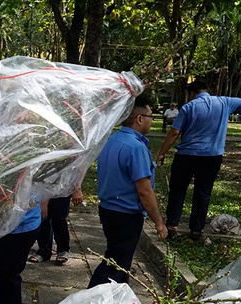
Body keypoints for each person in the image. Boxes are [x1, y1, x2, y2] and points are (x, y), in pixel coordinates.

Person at [88, 95, 167, 288]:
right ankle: (90, 302)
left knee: (117, 258)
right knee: (116, 266)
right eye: (150, 116)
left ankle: (113, 302)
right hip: (126, 215)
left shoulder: (112, 139)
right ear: (140, 119)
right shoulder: (136, 148)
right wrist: (159, 222)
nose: (151, 121)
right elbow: (145, 192)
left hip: (108, 210)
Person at [157, 80, 241, 240]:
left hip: (187, 155)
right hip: (212, 156)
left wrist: (162, 152)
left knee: (178, 189)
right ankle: (196, 230)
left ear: (191, 93)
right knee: (203, 192)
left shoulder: (188, 107)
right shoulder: (225, 102)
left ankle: (172, 226)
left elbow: (175, 132)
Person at [28, 188, 82, 265]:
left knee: (59, 218)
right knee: (44, 217)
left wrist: (77, 189)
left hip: (63, 186)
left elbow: (76, 175)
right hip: (45, 186)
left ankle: (63, 249)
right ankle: (44, 251)